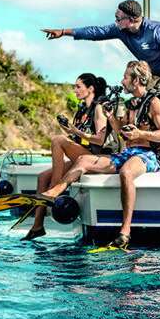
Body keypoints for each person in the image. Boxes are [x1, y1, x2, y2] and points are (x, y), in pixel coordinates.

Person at [40, 61, 160, 251]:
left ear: (137, 80)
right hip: (127, 152)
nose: (122, 81)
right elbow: (121, 133)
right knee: (83, 160)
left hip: (147, 154)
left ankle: (125, 232)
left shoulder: (155, 103)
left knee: (126, 172)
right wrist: (111, 117)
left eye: (126, 77)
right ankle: (53, 193)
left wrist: (141, 134)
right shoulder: (130, 104)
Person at [42, 0, 160, 147]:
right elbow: (96, 32)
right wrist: (63, 32)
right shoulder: (121, 30)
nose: (115, 21)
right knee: (149, 109)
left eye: (118, 18)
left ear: (131, 20)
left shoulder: (157, 31)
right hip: (155, 75)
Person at [23, 72, 111, 241]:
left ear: (90, 89)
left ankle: (54, 190)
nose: (75, 90)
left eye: (78, 86)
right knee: (42, 177)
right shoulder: (81, 110)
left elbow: (100, 140)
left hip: (96, 157)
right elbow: (77, 138)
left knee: (57, 140)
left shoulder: (98, 108)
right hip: (82, 154)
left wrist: (75, 132)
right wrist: (69, 130)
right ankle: (37, 226)